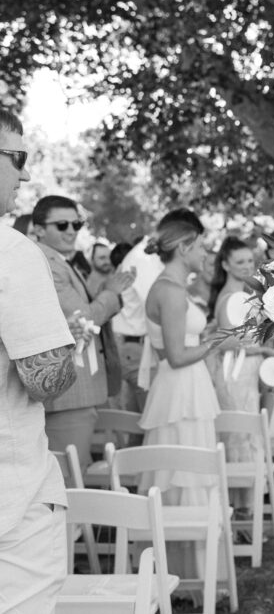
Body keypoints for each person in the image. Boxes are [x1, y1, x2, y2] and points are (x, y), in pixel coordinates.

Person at [0, 108, 76, 612]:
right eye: (17, 157)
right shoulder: (10, 250)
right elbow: (45, 378)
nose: (25, 174)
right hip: (11, 503)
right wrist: (68, 350)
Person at [138, 208, 237, 587]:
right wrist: (216, 340)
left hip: (184, 389)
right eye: (200, 248)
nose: (205, 256)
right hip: (181, 390)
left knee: (184, 475)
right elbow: (177, 357)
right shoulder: (171, 291)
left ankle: (188, 573)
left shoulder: (171, 288)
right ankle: (188, 577)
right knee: (182, 475)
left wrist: (206, 334)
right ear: (182, 248)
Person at [33, 194, 134, 470]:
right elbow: (83, 319)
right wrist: (111, 292)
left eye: (77, 224)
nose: (71, 231)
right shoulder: (46, 263)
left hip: (79, 391)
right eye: (62, 224)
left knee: (74, 473)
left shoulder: (60, 260)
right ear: (39, 228)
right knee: (69, 477)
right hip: (68, 393)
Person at [208, 235, 274, 517]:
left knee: (245, 433)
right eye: (240, 262)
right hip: (234, 373)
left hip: (246, 371)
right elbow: (230, 342)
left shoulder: (245, 293)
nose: (247, 266)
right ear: (225, 264)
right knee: (238, 433)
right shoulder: (231, 297)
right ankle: (241, 510)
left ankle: (243, 508)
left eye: (250, 260)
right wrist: (266, 351)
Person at [110, 236, 163, 418]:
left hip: (128, 345)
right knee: (151, 415)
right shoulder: (141, 261)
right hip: (134, 349)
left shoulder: (136, 261)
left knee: (135, 417)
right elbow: (156, 305)